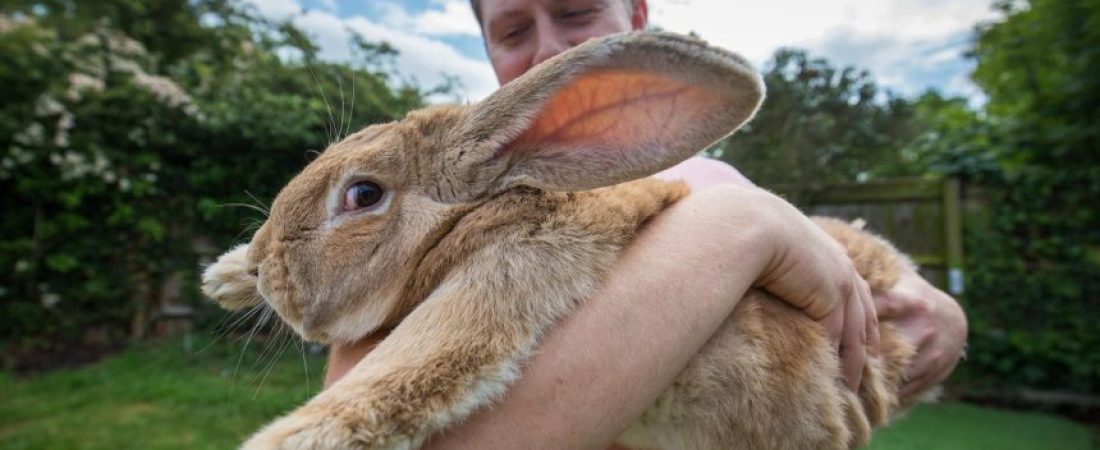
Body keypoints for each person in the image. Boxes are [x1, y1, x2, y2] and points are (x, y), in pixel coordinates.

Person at [324, 1, 969, 448]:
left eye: (576, 12)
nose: (549, 45)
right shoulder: (445, 200)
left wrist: (940, 313)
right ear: (489, 51)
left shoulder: (720, 181)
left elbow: (855, 315)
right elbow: (353, 407)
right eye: (513, 30)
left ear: (637, 21)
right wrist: (745, 229)